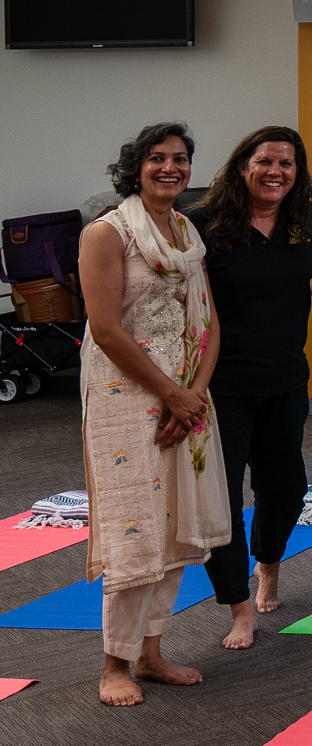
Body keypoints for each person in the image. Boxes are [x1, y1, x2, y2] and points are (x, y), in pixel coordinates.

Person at [78, 123, 230, 705]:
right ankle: (113, 664)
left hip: (187, 395)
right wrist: (171, 395)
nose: (171, 168)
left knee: (174, 526)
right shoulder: (108, 233)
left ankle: (150, 653)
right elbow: (107, 331)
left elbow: (211, 322)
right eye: (158, 159)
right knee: (134, 527)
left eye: (181, 159)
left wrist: (192, 396)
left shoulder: (187, 229)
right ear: (135, 167)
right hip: (127, 398)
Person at [189, 125, 312, 650]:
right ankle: (239, 606)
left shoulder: (300, 225)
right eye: (265, 161)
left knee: (287, 489)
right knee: (220, 500)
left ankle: (268, 563)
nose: (275, 172)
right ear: (243, 165)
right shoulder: (200, 225)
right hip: (221, 387)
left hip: (286, 381)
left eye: (287, 164)